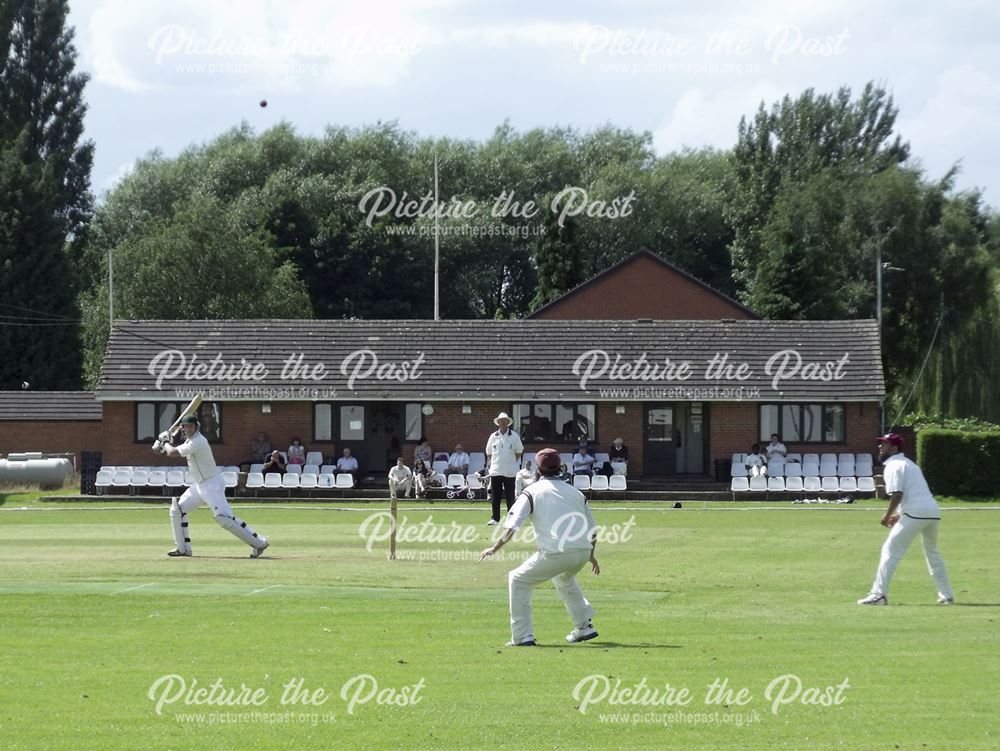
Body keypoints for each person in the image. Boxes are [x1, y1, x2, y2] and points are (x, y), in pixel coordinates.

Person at [479, 448, 600, 647]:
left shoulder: (531, 492)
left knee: (518, 579)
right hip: (582, 551)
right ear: (560, 468)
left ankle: (522, 636)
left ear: (538, 469)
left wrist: (494, 548)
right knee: (564, 579)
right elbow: (593, 530)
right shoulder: (576, 492)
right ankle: (584, 626)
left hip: (557, 553)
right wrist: (591, 555)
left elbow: (512, 526)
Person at [858, 433, 954, 606]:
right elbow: (914, 493)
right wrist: (901, 515)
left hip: (916, 513)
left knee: (890, 551)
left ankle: (878, 595)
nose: (880, 447)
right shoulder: (909, 464)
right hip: (931, 512)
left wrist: (887, 516)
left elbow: (897, 494)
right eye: (881, 444)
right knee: (932, 553)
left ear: (894, 448)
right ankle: (946, 594)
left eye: (885, 444)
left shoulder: (894, 466)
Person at [154, 415, 268, 558]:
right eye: (185, 427)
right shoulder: (189, 441)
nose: (187, 429)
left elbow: (172, 452)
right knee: (177, 510)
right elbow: (168, 451)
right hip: (200, 485)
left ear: (196, 427)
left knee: (224, 518)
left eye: (190, 426)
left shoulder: (199, 441)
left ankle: (259, 543)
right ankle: (182, 549)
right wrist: (160, 447)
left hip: (212, 484)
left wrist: (164, 443)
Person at [485, 412, 523, 526]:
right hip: (496, 470)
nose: (503, 423)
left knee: (510, 496)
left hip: (510, 471)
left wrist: (509, 461)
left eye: (504, 421)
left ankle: (511, 518)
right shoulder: (493, 436)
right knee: (495, 496)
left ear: (508, 423)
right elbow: (489, 452)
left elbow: (519, 452)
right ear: (498, 423)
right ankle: (495, 518)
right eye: (501, 421)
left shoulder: (514, 436)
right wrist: (497, 462)